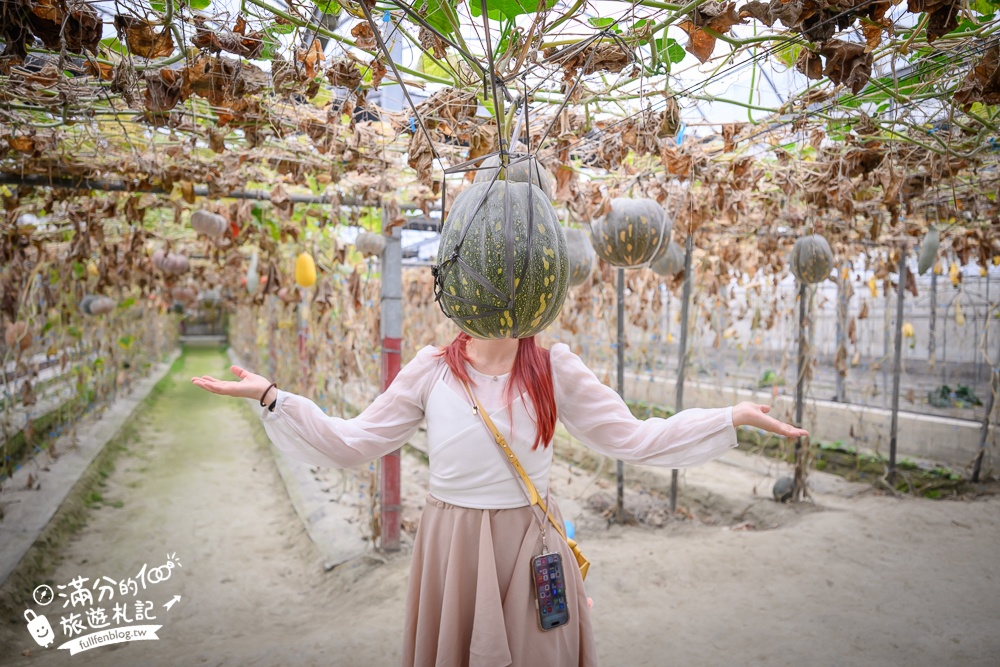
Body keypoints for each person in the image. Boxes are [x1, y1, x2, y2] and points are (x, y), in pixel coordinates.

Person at [192, 331, 807, 666]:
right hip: (454, 544)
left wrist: (731, 417)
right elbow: (354, 442)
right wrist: (273, 396)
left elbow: (633, 437)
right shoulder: (432, 369)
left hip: (532, 542)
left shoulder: (553, 366)